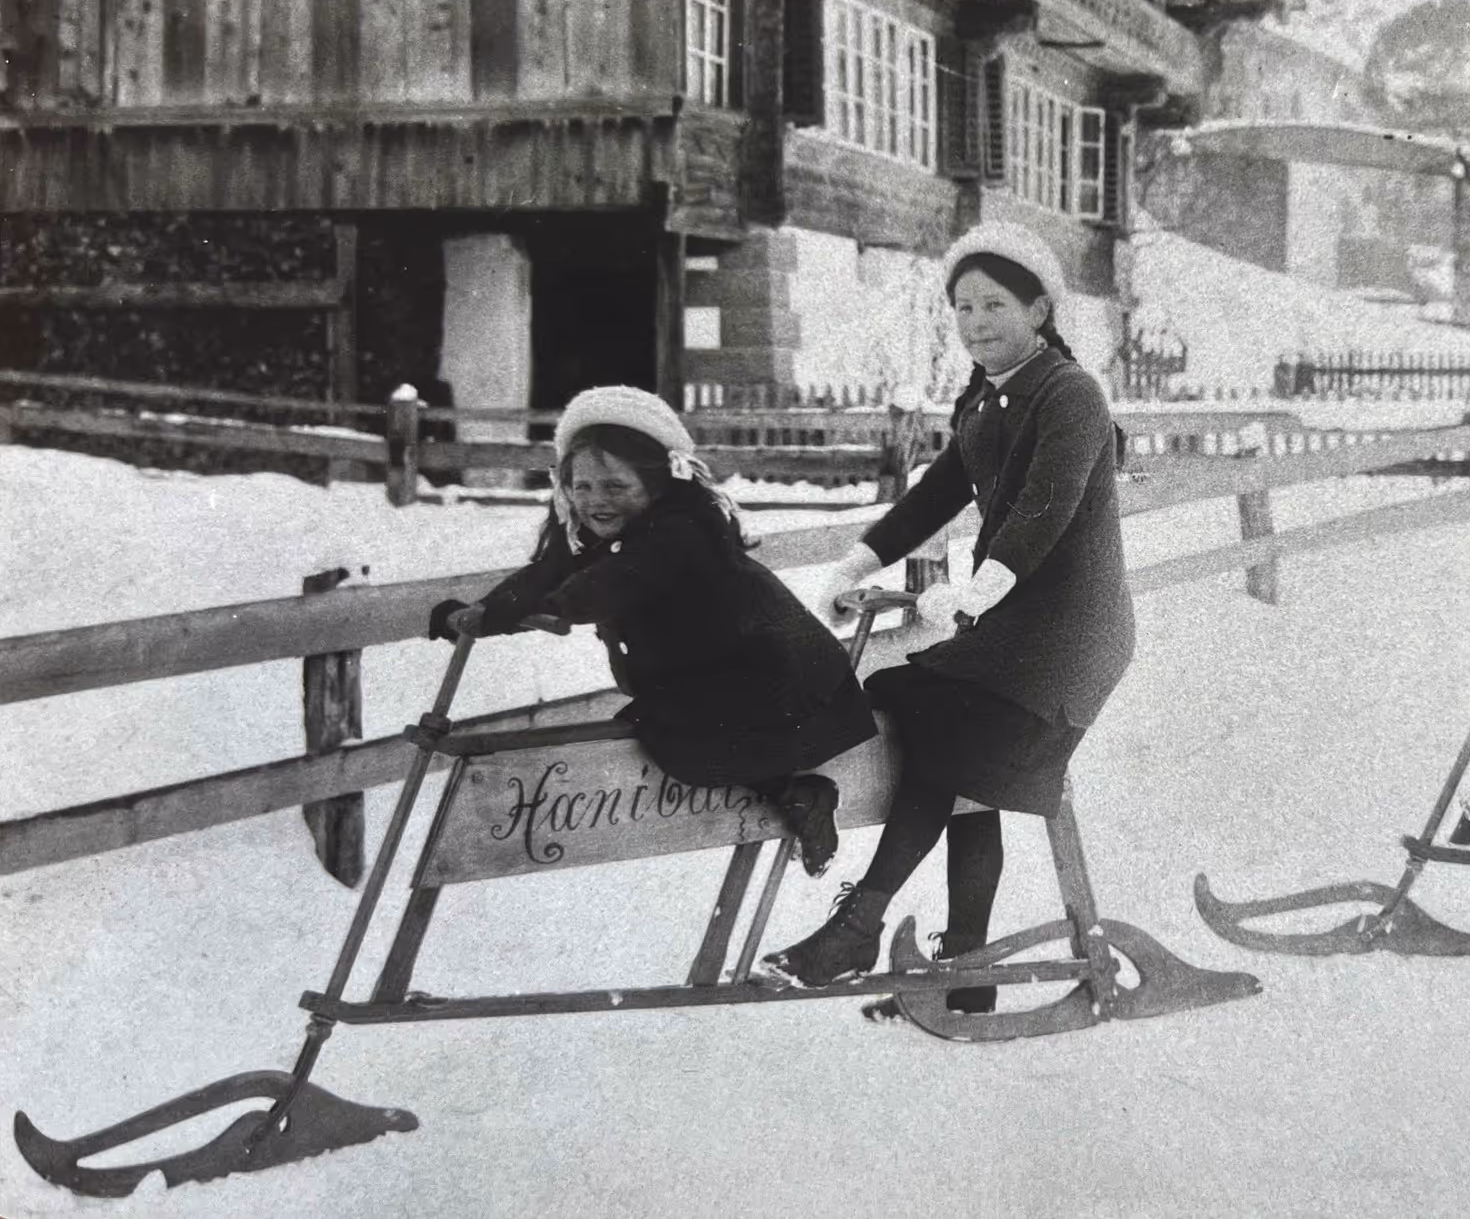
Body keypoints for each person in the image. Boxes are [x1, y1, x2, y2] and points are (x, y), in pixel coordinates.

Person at [758, 222, 1137, 1011]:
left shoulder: (1070, 394)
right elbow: (935, 496)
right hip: (1011, 625)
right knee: (947, 750)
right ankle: (966, 972)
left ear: (1040, 310)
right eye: (961, 307)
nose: (975, 323)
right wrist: (856, 564)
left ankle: (863, 925)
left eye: (994, 304)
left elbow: (1043, 511)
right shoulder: (984, 396)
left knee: (937, 732)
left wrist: (978, 588)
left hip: (1069, 632)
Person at [427, 385, 875, 877]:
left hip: (772, 668)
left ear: (657, 484)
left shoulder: (677, 531)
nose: (596, 501)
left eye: (616, 487)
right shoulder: (601, 534)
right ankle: (796, 794)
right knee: (678, 730)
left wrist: (560, 607)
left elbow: (616, 579)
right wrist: (484, 613)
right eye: (583, 487)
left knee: (673, 735)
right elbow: (546, 573)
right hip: (719, 670)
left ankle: (798, 793)